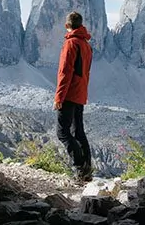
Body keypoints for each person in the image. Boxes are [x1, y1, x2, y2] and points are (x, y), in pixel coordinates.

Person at [53, 11, 93, 183]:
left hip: (69, 93)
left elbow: (65, 72)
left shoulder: (71, 43)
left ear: (67, 25)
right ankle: (87, 171)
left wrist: (59, 98)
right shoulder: (86, 44)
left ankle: (79, 167)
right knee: (78, 132)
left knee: (62, 132)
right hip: (80, 92)